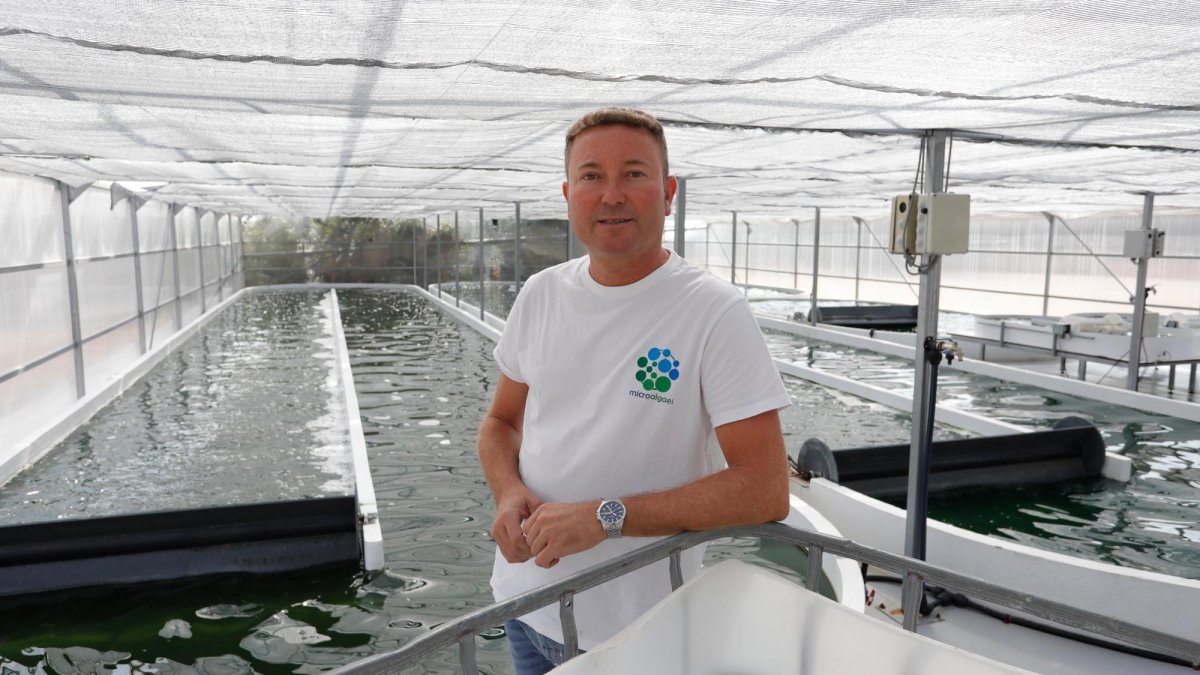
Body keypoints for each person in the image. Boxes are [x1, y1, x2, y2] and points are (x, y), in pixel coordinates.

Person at [476, 107, 792, 674]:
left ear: (668, 194)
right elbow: (501, 423)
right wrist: (507, 491)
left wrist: (606, 517)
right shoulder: (541, 294)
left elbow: (764, 488)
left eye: (634, 174)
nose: (612, 194)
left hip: (634, 636)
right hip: (525, 604)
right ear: (568, 194)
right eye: (591, 176)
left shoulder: (713, 311)